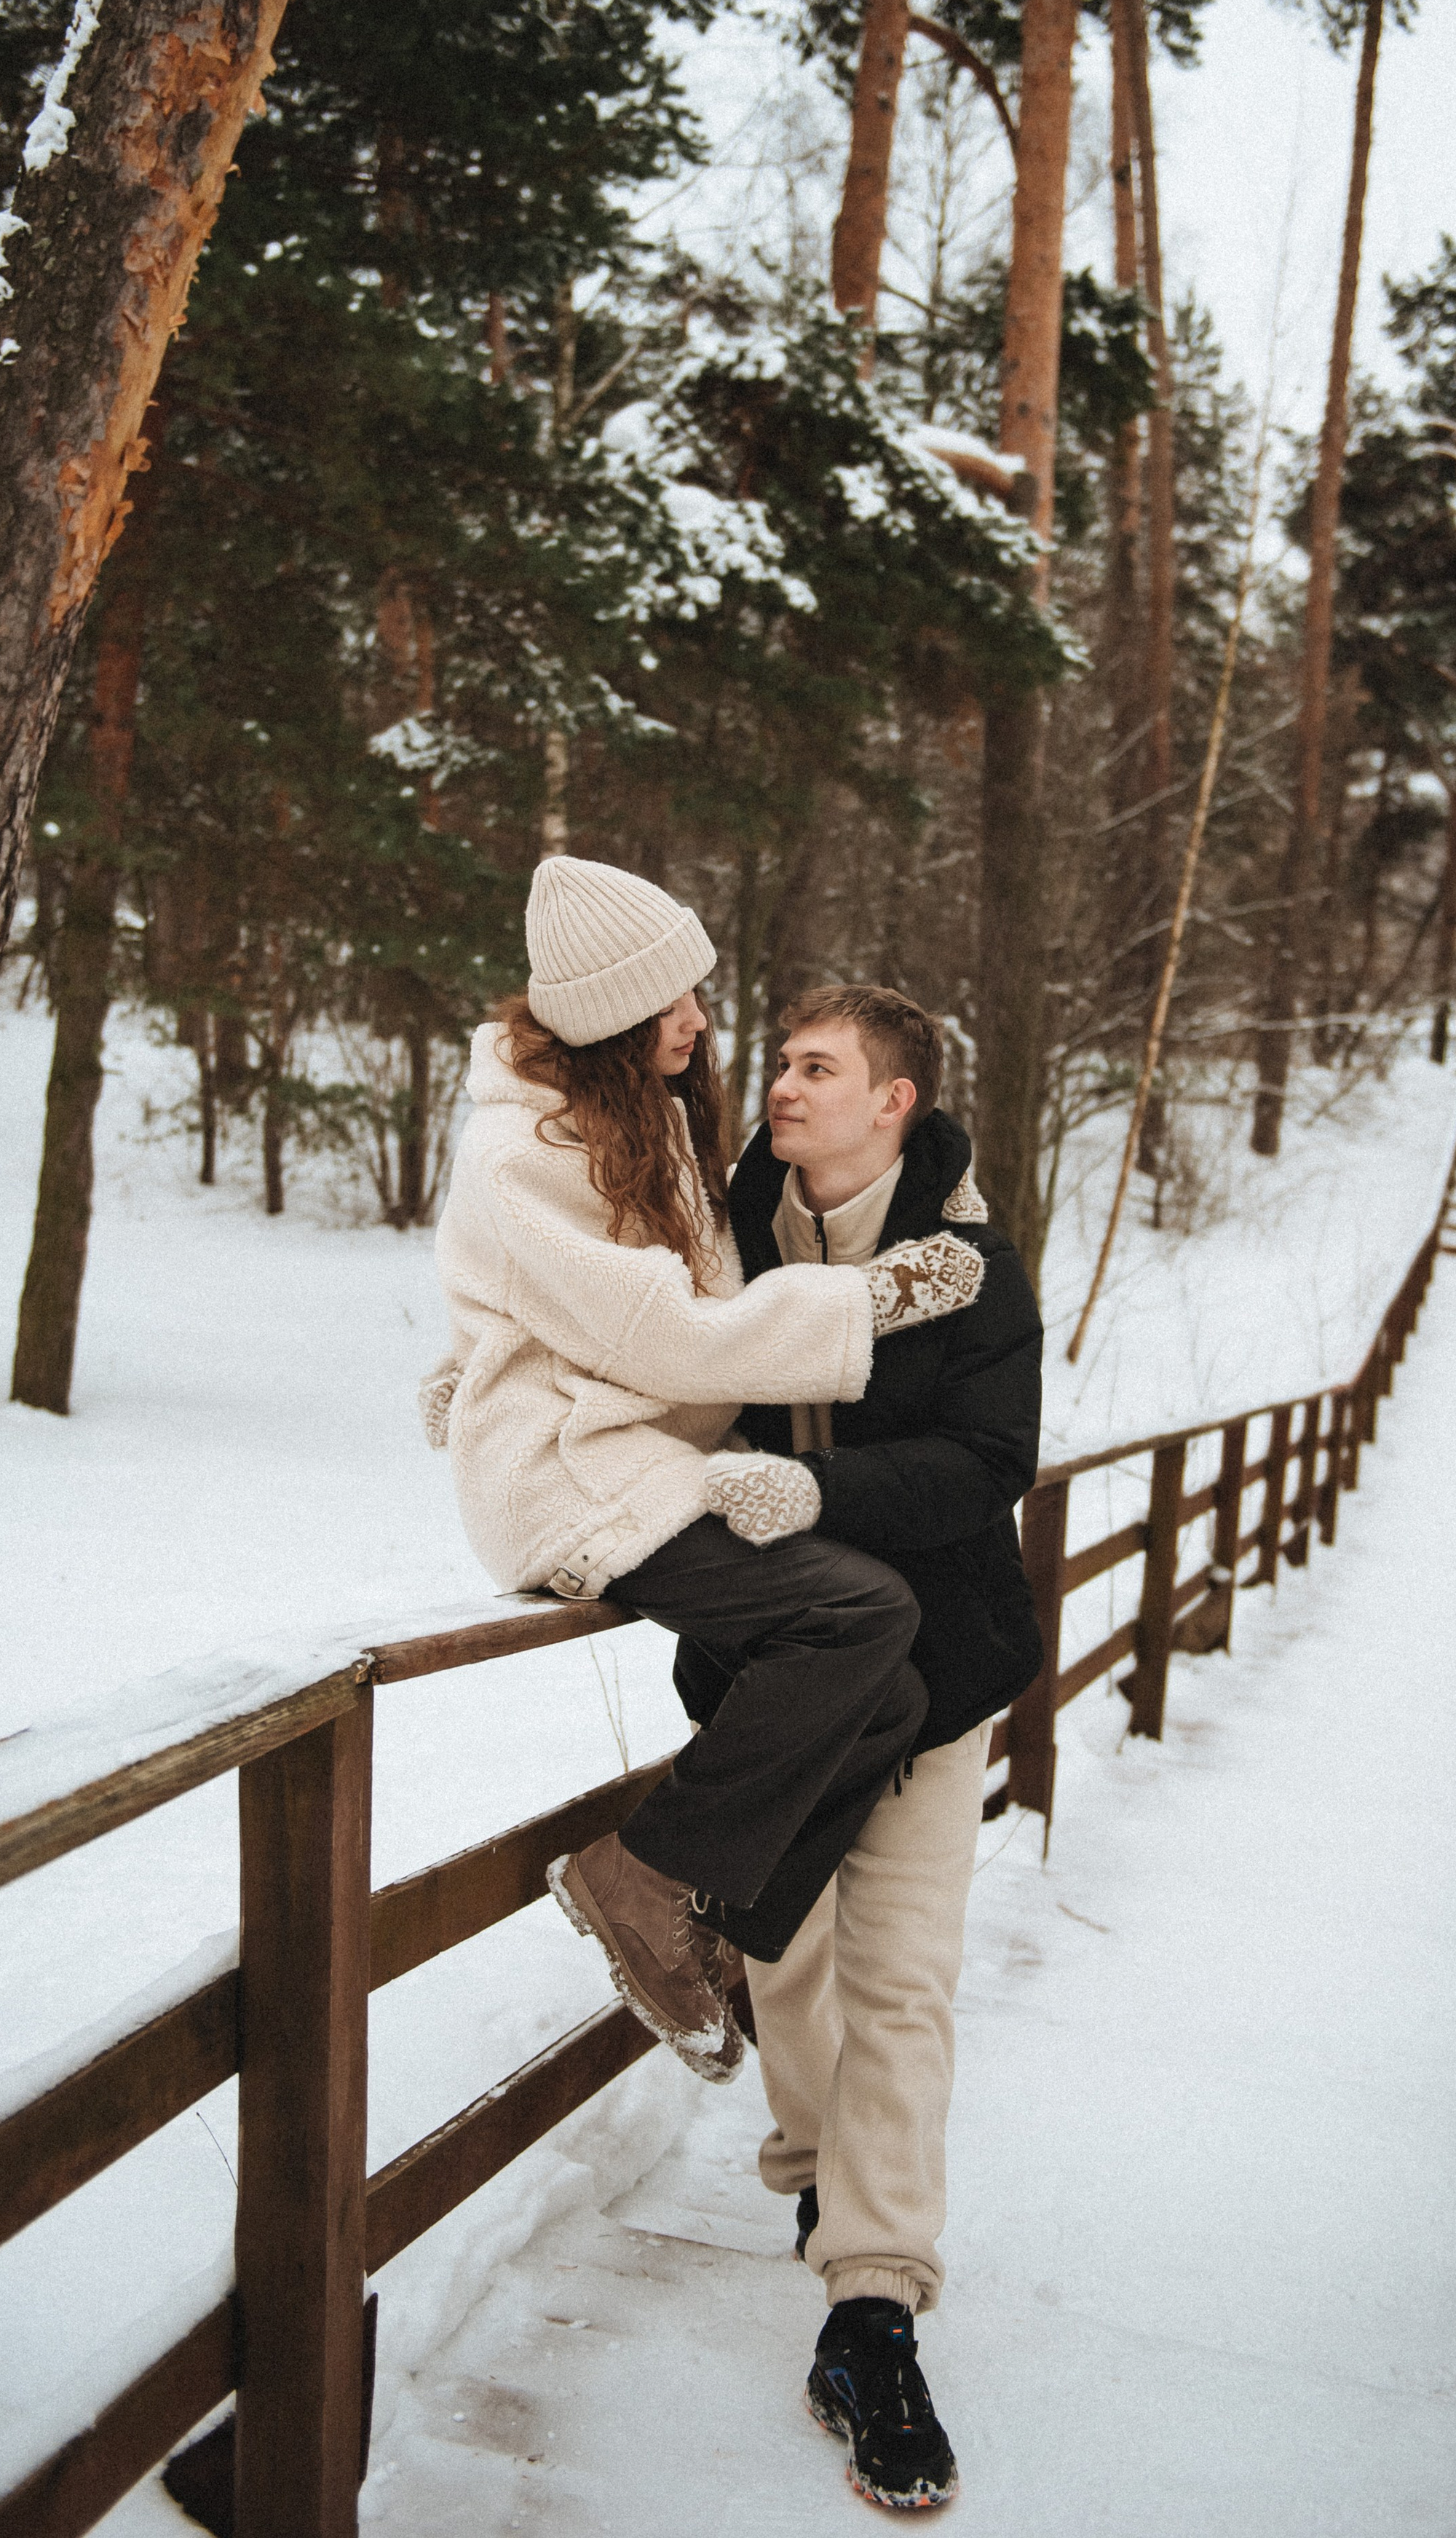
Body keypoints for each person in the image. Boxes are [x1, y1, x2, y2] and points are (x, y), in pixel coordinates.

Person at [426, 857, 987, 2085]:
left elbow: (667, 1308)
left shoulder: (639, 1120)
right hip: (567, 1475)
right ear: (615, 1015)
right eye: (676, 1000)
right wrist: (877, 1299)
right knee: (861, 1612)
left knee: (892, 1695)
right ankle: (639, 1873)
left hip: (644, 1456)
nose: (699, 1020)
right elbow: (669, 1332)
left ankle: (707, 1924)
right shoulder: (516, 1154)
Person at [676, 983, 1043, 2513]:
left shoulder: (969, 1264)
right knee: (787, 1961)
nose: (783, 1084)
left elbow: (984, 1462)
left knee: (898, 1975)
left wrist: (813, 1497)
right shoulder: (721, 1246)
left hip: (939, 1674)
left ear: (893, 1099)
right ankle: (824, 2176)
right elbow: (653, 1388)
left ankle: (870, 2309)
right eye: (777, 1062)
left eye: (818, 1067)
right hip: (779, 1681)